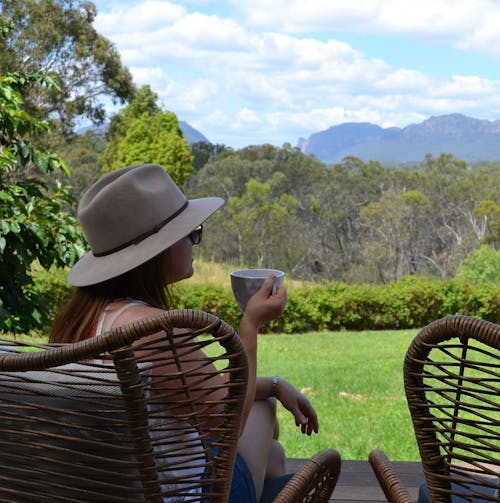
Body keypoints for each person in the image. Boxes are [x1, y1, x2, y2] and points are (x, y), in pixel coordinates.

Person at [50, 163, 318, 502]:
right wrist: (250, 325)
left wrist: (275, 384)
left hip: (112, 489)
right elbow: (228, 427)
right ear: (159, 250)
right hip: (181, 494)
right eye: (192, 233)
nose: (196, 242)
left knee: (275, 456)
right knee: (261, 414)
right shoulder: (153, 330)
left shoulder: (85, 320)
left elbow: (180, 392)